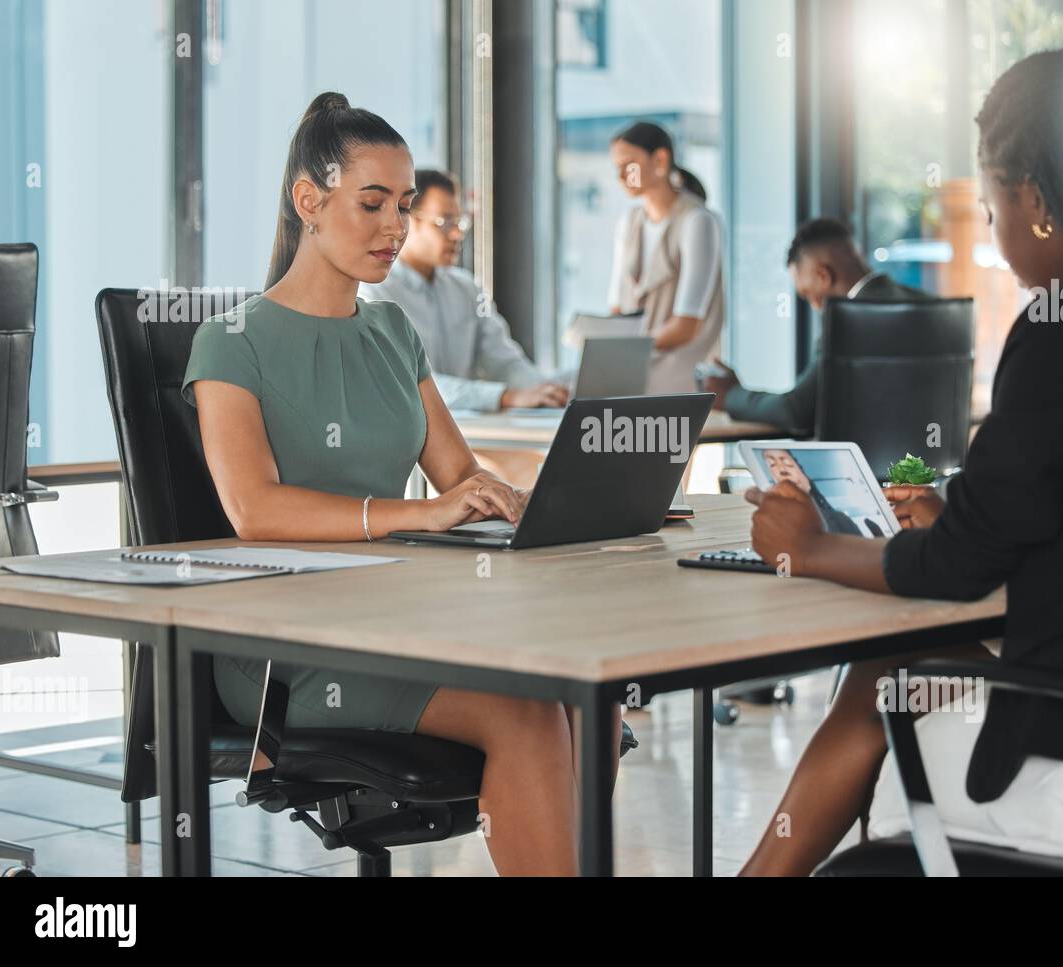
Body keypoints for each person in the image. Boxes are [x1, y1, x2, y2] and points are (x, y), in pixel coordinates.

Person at [738, 49, 1063, 875]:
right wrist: (972, 517)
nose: (993, 230)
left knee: (880, 716)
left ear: (1034, 200)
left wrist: (806, 548)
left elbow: (953, 570)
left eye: (990, 208)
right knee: (894, 667)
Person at [183, 93, 621, 876]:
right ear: (308, 202)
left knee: (593, 688)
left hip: (397, 619)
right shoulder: (232, 340)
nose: (397, 227)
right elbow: (254, 510)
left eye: (405, 206)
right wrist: (419, 511)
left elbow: (458, 473)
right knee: (525, 715)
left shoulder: (391, 331)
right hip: (289, 648)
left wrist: (520, 501)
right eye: (373, 203)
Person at [360, 169, 566, 412]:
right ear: (407, 220)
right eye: (444, 222)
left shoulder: (466, 288)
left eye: (460, 222)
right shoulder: (374, 292)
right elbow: (412, 383)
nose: (457, 234)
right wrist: (505, 397)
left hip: (467, 430)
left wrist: (546, 390)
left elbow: (504, 362)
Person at [704, 218, 926, 434]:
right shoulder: (926, 303)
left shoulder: (849, 322)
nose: (815, 306)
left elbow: (797, 410)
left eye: (807, 294)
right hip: (929, 461)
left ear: (823, 276)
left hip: (868, 466)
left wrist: (731, 395)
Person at [607, 121, 724, 394]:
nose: (621, 176)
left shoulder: (698, 221)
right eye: (617, 168)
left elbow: (687, 326)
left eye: (629, 165)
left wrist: (623, 351)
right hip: (636, 362)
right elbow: (617, 310)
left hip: (681, 371)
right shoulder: (630, 223)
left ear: (660, 159)